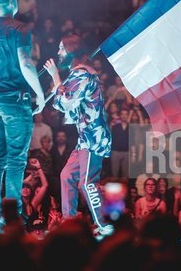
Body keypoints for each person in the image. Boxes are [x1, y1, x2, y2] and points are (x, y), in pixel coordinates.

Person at [0, 0, 45, 233]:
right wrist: (39, 93)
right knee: (16, 160)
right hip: (15, 101)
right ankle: (12, 216)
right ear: (10, 2)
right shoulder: (20, 29)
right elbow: (26, 63)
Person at [44, 34, 112, 236]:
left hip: (93, 138)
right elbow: (65, 105)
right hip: (85, 138)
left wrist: (56, 78)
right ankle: (69, 222)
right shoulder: (77, 73)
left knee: (87, 182)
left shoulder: (82, 74)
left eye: (61, 49)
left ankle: (104, 224)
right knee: (67, 176)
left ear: (71, 51)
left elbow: (65, 102)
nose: (58, 53)